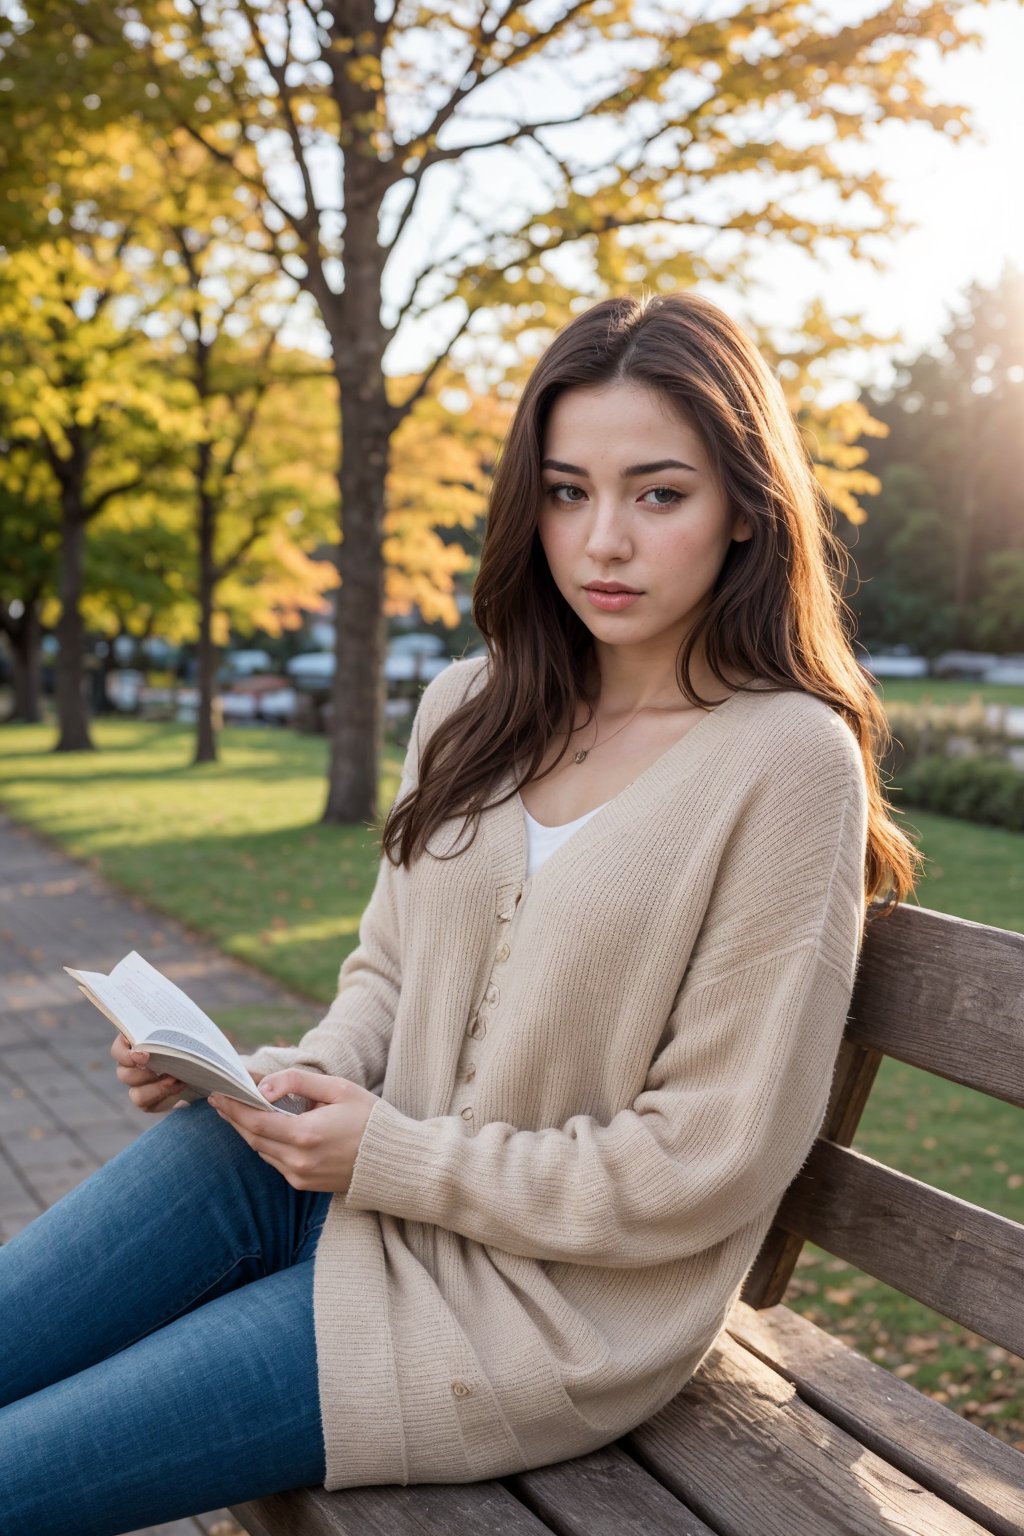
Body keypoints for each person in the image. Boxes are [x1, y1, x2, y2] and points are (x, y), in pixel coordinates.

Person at [0, 291, 920, 1534]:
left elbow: (705, 1161)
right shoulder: (472, 707)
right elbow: (385, 978)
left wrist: (393, 1155)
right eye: (564, 491)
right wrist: (264, 1081)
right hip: (358, 1197)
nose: (603, 541)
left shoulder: (788, 761)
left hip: (537, 1315)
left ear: (746, 508)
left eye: (658, 494)